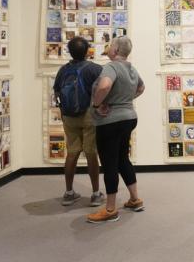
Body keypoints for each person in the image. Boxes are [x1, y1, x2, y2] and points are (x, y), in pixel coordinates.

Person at [86, 35, 145, 223]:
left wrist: (97, 105)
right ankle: (135, 199)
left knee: (110, 163)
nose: (109, 48)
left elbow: (104, 85)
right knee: (122, 158)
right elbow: (141, 88)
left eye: (111, 45)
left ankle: (110, 209)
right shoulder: (132, 69)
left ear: (116, 50)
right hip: (129, 118)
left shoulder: (110, 67)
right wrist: (125, 102)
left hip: (110, 122)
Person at [53, 36, 104, 206]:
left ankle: (68, 193)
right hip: (89, 115)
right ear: (87, 51)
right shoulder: (95, 69)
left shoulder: (63, 70)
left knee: (72, 153)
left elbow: (57, 93)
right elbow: (105, 89)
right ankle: (96, 194)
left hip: (69, 116)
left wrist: (63, 112)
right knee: (91, 154)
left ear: (70, 51)